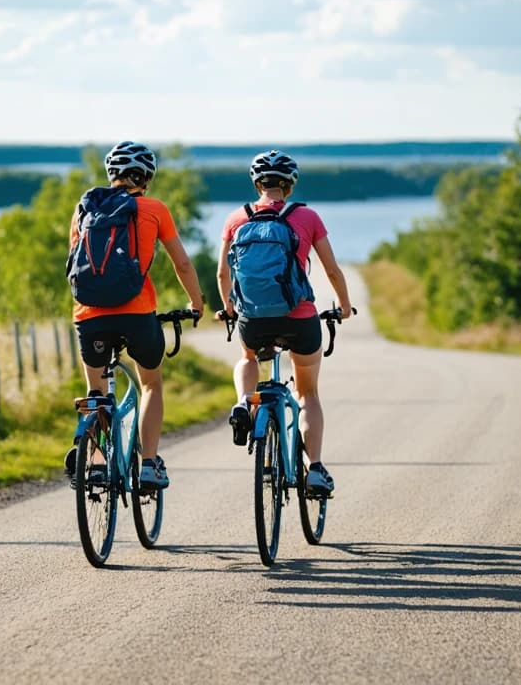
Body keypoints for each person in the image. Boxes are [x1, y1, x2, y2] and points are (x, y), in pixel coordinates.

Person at [68, 140, 204, 490]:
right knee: (151, 384)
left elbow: (74, 263)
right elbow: (183, 263)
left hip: (89, 314)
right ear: (146, 177)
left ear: (111, 174)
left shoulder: (85, 207)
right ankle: (148, 464)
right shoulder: (154, 208)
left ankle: (95, 463)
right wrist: (196, 304)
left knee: (95, 391)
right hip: (138, 313)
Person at [216, 149, 352, 494]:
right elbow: (332, 270)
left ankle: (245, 400)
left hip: (254, 319)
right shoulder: (307, 217)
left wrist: (230, 309)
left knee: (248, 358)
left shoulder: (236, 218)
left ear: (256, 182)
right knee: (307, 393)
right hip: (299, 317)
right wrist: (345, 306)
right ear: (289, 184)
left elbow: (222, 273)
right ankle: (316, 469)